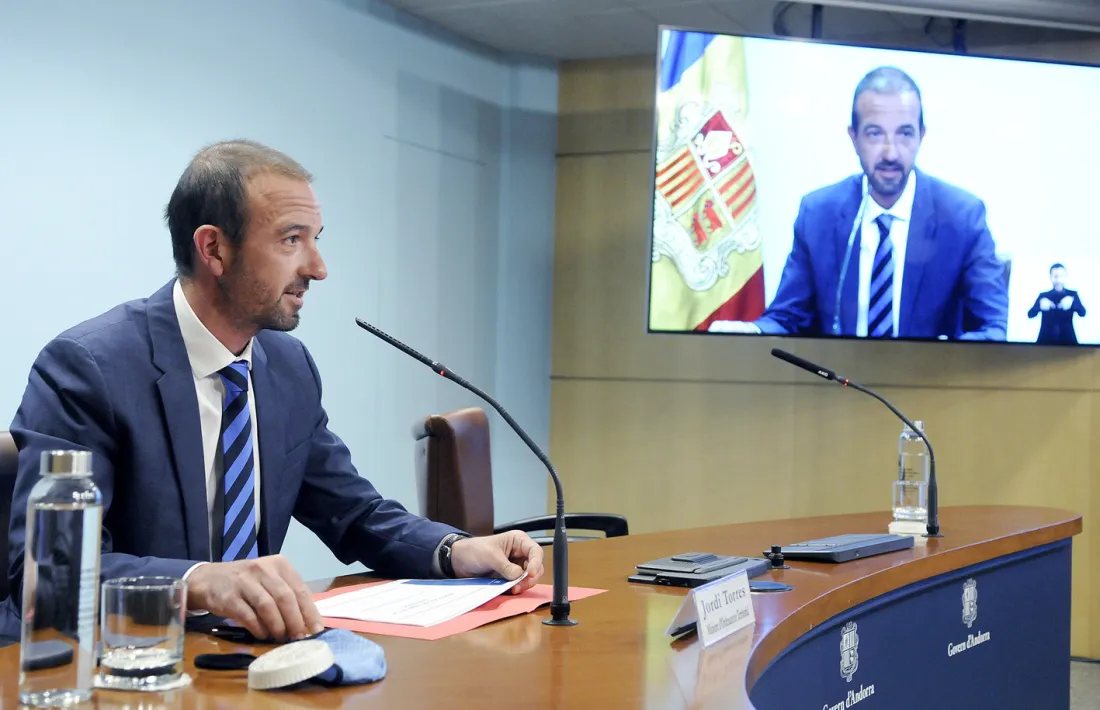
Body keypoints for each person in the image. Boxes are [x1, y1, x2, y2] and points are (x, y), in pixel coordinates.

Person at [2, 140, 544, 643]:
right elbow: (52, 570)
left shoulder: (287, 367)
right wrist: (199, 582)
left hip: (242, 661)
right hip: (113, 661)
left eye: (315, 240)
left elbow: (353, 513)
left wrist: (454, 549)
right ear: (214, 249)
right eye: (291, 239)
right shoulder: (89, 368)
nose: (318, 268)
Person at [708, 66, 1008, 340]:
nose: (891, 153)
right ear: (853, 138)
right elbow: (788, 318)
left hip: (929, 380)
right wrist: (752, 331)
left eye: (905, 133)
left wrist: (943, 360)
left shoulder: (962, 217)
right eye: (875, 134)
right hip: (838, 379)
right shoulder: (819, 215)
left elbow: (993, 328)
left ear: (921, 136)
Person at [1028, 263, 1086, 345]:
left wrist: (1073, 303)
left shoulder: (1072, 295)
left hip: (1068, 341)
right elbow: (1030, 314)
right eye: (1055, 276)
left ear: (1065, 277)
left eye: (1061, 276)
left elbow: (1083, 313)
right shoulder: (1043, 296)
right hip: (1045, 341)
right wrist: (1039, 306)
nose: (1058, 280)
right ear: (1050, 277)